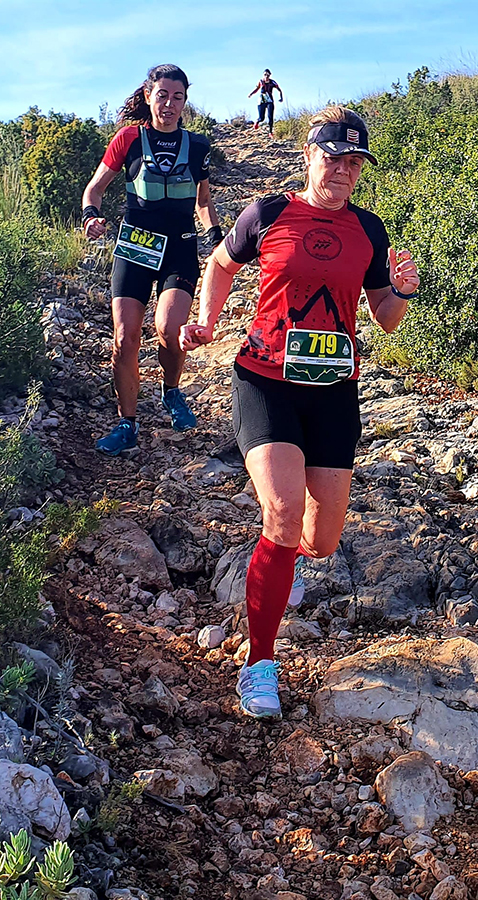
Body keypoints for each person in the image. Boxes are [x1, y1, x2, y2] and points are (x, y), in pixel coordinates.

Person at [180, 106, 419, 719]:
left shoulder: (369, 230)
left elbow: (385, 318)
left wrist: (403, 290)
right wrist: (206, 321)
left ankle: (281, 563)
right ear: (309, 155)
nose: (343, 171)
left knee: (321, 538)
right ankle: (259, 664)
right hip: (265, 382)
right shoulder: (268, 213)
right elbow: (220, 264)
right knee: (284, 513)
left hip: (334, 390)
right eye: (333, 158)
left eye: (354, 162)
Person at [82, 63, 223, 456]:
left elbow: (203, 201)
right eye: (162, 95)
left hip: (179, 247)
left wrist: (215, 236)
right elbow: (94, 189)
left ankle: (171, 391)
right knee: (125, 338)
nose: (169, 104)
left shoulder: (197, 146)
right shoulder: (128, 139)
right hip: (136, 248)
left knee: (170, 329)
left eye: (178, 97)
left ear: (185, 102)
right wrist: (91, 216)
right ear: (148, 96)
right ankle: (126, 423)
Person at [248, 69, 283, 137]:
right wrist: (251, 94)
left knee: (270, 117)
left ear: (270, 75)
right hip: (262, 101)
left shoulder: (272, 82)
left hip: (270, 100)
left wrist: (281, 98)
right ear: (263, 75)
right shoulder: (261, 81)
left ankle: (270, 132)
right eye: (265, 75)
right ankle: (257, 121)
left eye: (268, 75)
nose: (266, 76)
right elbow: (257, 89)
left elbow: (279, 90)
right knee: (261, 118)